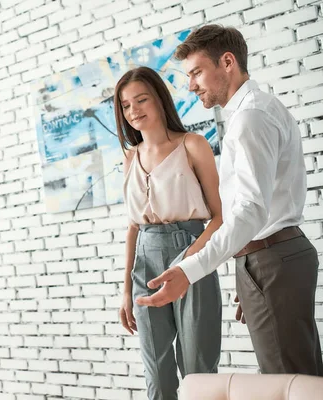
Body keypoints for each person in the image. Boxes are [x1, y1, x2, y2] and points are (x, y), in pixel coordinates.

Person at [137, 25, 323, 376]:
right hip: (269, 259)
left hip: (271, 257)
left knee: (289, 381)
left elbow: (251, 210)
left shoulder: (251, 118)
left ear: (227, 62)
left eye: (196, 73)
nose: (191, 85)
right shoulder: (253, 111)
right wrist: (251, 274)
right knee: (301, 375)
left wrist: (190, 270)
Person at [115, 66, 223, 400]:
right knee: (157, 373)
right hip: (145, 262)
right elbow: (133, 226)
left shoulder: (192, 145)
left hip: (190, 254)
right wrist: (124, 292)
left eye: (142, 99)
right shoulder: (130, 157)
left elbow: (220, 217)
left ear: (160, 100)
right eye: (125, 105)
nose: (134, 110)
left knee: (197, 369)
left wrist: (189, 262)